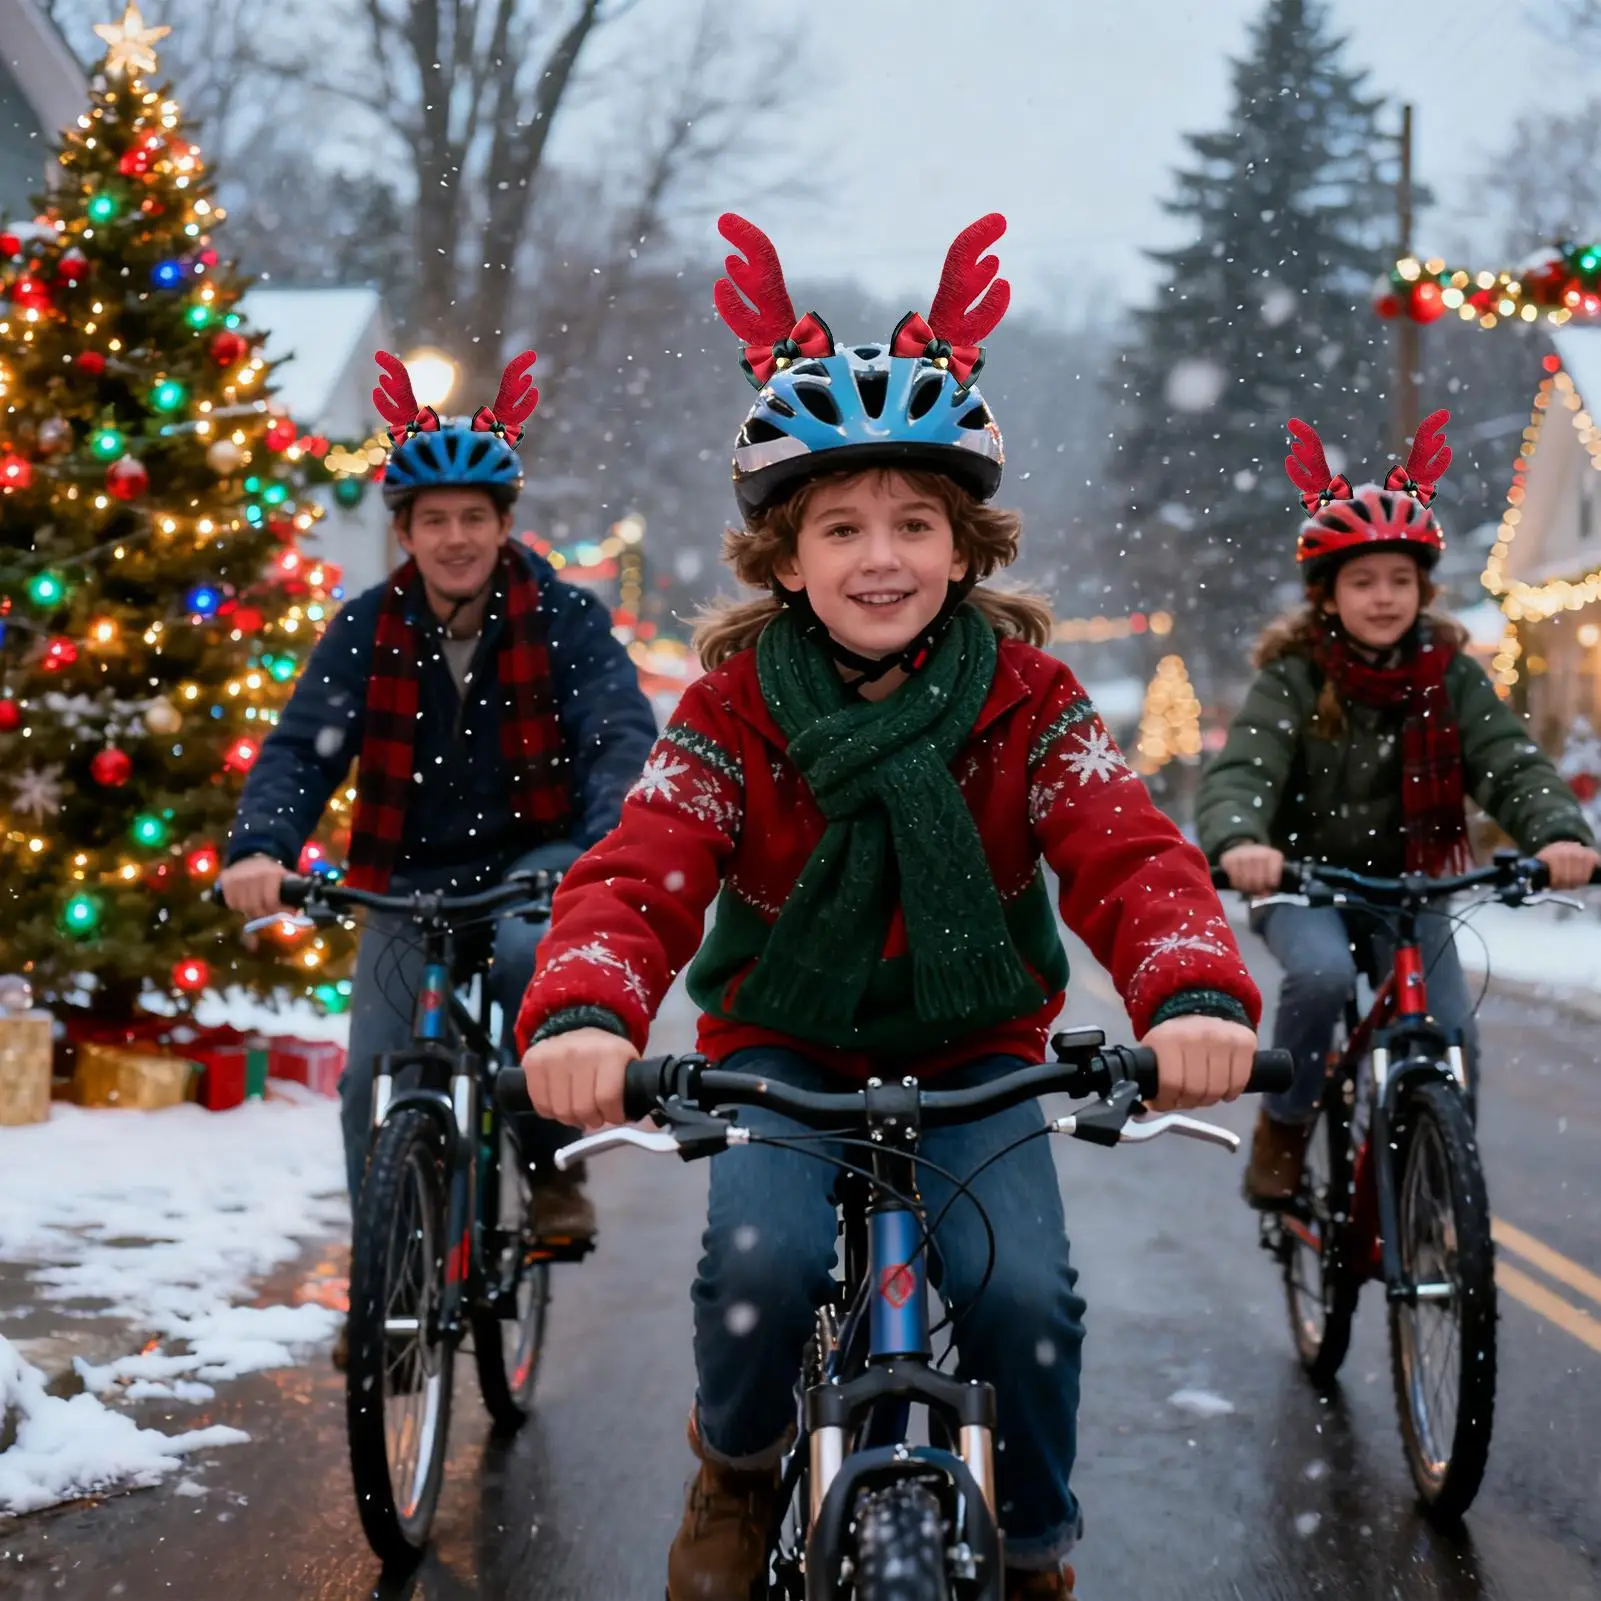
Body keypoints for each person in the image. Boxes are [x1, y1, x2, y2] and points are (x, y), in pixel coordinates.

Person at [515, 212, 1263, 1601]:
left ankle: (1030, 1546)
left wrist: (1193, 990)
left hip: (980, 1054)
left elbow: (1129, 849)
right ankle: (737, 1466)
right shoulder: (730, 711)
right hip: (778, 1054)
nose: (880, 556)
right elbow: (637, 869)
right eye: (840, 526)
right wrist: (584, 1011)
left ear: (964, 548)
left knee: (1023, 1295)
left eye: (914, 523)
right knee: (762, 1260)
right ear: (783, 558)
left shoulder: (1030, 703)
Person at [220, 349, 657, 1351]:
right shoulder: (365, 628)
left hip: (534, 859)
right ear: (405, 531)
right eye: (433, 520)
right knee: (369, 1075)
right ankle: (387, 1276)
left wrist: (599, 845)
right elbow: (301, 748)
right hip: (403, 873)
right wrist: (262, 845)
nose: (454, 537)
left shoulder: (564, 619)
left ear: (503, 524)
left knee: (525, 970)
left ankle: (545, 1169)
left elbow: (617, 735)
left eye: (472, 516)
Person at [1198, 409, 1600, 1206]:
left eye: (1399, 580)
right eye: (1362, 581)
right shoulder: (1292, 678)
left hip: (1411, 885)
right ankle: (1285, 1126)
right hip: (1304, 882)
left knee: (1452, 1030)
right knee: (1318, 977)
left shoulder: (1449, 674)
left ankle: (1436, 1182)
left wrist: (1558, 833)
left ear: (1423, 588)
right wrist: (1241, 840)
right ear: (1326, 595)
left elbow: (1509, 761)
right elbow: (1242, 769)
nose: (1383, 597)